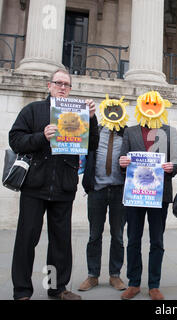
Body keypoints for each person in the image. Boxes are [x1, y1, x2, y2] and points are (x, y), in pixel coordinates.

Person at [9, 68, 99, 300]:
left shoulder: (78, 113)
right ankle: (22, 291)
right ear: (49, 86)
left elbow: (92, 145)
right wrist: (41, 136)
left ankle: (56, 288)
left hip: (63, 186)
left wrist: (91, 118)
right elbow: (15, 139)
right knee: (26, 239)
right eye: (58, 83)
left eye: (66, 85)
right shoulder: (33, 110)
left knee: (60, 242)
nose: (62, 87)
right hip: (34, 186)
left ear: (70, 89)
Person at [118, 91, 177, 300]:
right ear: (140, 106)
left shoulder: (170, 132)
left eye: (155, 104)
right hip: (135, 194)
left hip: (159, 195)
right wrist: (122, 162)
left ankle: (154, 285)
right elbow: (122, 159)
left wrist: (173, 167)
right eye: (147, 103)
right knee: (133, 238)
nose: (151, 106)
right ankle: (133, 283)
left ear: (161, 107)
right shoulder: (130, 132)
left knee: (157, 241)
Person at [79, 96, 130, 292]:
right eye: (110, 109)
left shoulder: (127, 135)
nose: (114, 113)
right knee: (94, 235)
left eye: (118, 109)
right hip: (97, 191)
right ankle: (92, 275)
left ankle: (115, 275)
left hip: (119, 192)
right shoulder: (94, 132)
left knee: (117, 235)